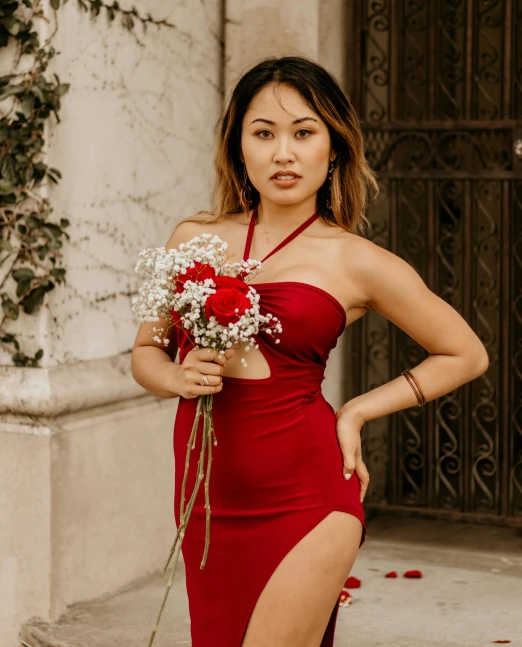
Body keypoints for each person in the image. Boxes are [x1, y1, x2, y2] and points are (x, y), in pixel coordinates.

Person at [131, 56, 489, 647]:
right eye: (263, 133)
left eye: (304, 132)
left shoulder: (356, 260)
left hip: (309, 494)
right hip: (208, 501)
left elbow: (465, 353)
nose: (283, 153)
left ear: (335, 148)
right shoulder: (191, 238)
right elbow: (145, 353)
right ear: (238, 146)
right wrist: (177, 375)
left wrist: (357, 411)